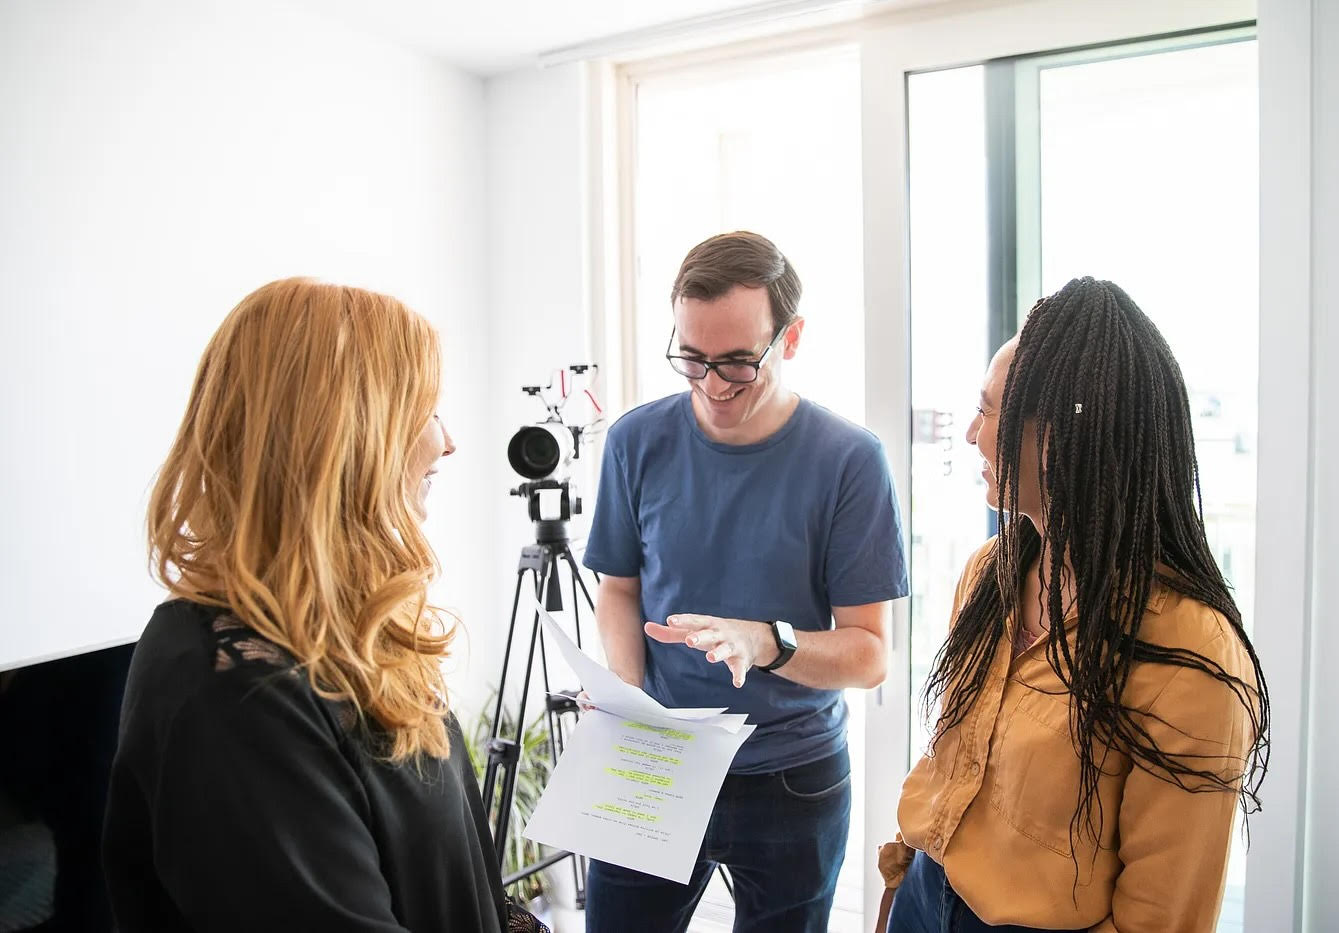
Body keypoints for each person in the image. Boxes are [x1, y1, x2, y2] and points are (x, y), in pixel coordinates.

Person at [102, 279, 547, 932]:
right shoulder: (234, 697)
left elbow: (463, 876)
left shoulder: (354, 632)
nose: (447, 440)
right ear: (345, 436)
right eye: (423, 407)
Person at [876, 277, 1270, 933]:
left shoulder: (1191, 652)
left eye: (988, 410)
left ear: (1060, 437)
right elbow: (953, 763)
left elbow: (1161, 916)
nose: (971, 432)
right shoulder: (989, 574)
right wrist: (902, 881)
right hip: (926, 892)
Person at [582, 231, 910, 932]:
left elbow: (870, 653)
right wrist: (628, 692)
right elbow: (619, 589)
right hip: (657, 756)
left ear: (789, 339)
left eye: (736, 361)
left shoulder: (849, 460)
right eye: (691, 358)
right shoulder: (635, 441)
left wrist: (767, 642)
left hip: (791, 775)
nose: (711, 384)